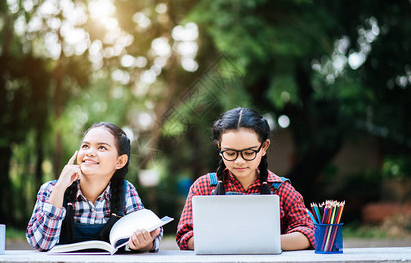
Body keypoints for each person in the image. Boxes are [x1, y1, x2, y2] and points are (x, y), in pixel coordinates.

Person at [176, 107, 314, 251]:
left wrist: (260, 242)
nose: (239, 161)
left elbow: (309, 233)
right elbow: (185, 236)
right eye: (230, 153)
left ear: (264, 147)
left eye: (248, 152)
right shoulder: (203, 186)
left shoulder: (281, 188)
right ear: (219, 147)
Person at [27, 122, 162, 252]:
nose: (89, 153)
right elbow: (42, 243)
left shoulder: (126, 191)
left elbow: (152, 231)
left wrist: (145, 244)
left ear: (120, 161)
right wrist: (60, 188)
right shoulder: (51, 189)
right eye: (85, 146)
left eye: (101, 147)